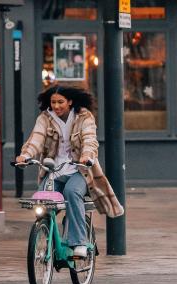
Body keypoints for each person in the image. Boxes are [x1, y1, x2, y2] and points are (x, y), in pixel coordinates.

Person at [16, 85, 124, 258]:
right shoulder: (45, 118)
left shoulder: (83, 116)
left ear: (70, 102)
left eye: (61, 102)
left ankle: (79, 242)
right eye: (53, 102)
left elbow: (90, 139)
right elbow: (36, 139)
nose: (56, 106)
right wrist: (25, 156)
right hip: (54, 171)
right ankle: (45, 233)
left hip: (79, 170)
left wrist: (87, 155)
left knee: (71, 192)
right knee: (42, 201)